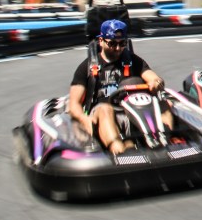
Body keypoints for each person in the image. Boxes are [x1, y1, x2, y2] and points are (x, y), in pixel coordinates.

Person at [69, 19, 172, 155]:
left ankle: (167, 143)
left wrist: (156, 83)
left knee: (164, 103)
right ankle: (119, 151)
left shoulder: (133, 61)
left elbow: (153, 77)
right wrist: (84, 119)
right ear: (101, 41)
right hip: (103, 112)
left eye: (122, 43)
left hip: (133, 111)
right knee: (105, 109)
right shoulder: (86, 67)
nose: (117, 48)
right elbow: (73, 103)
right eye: (112, 43)